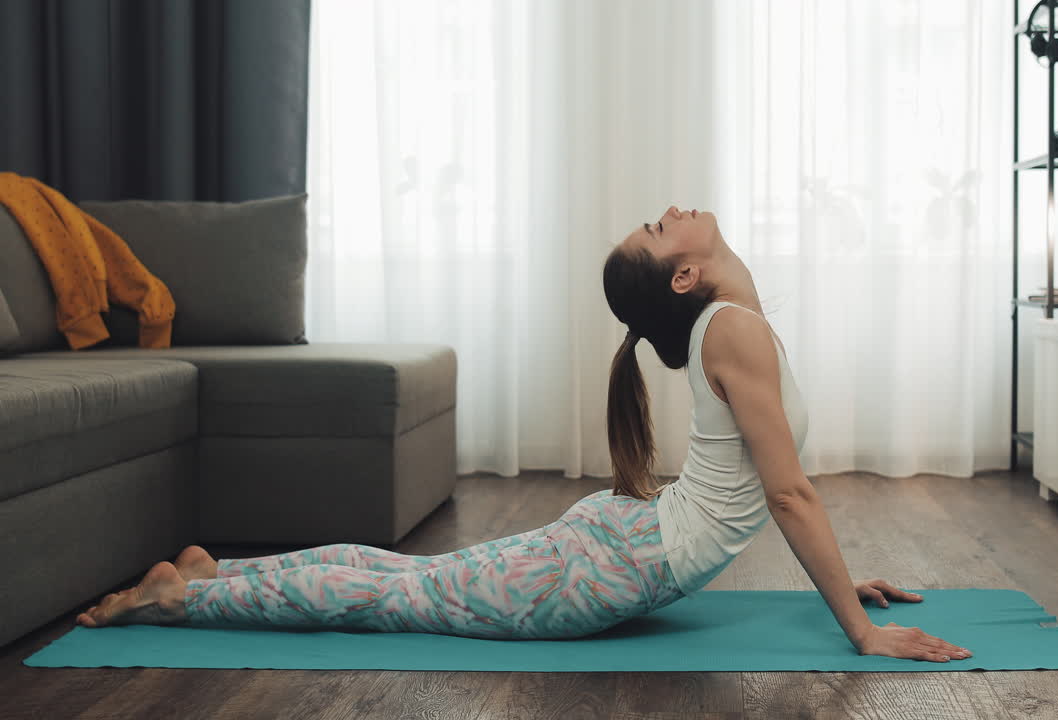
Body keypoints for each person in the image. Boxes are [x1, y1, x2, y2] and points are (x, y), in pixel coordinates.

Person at [77, 205, 971, 663]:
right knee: (398, 596)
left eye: (657, 224)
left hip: (622, 546)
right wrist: (857, 629)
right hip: (613, 563)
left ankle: (214, 577)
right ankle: (188, 597)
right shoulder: (732, 328)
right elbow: (785, 493)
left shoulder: (732, 325)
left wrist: (844, 584)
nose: (669, 211)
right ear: (687, 275)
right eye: (659, 228)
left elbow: (762, 486)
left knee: (407, 582)